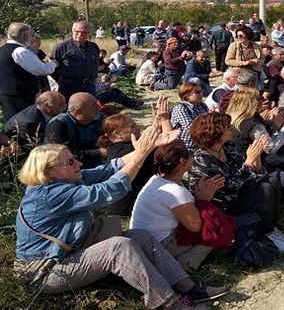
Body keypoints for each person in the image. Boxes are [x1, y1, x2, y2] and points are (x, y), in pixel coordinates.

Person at [14, 128, 223, 310]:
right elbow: (108, 190)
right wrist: (141, 154)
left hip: (66, 256)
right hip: (46, 272)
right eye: (70, 161)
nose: (78, 163)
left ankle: (189, 287)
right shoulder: (50, 195)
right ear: (49, 171)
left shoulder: (65, 180)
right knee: (119, 246)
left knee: (140, 236)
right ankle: (169, 302)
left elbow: (109, 169)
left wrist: (148, 148)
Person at [188, 112, 284, 253]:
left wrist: (256, 159)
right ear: (216, 133)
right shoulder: (202, 159)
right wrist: (248, 163)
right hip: (223, 203)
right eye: (227, 127)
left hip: (239, 191)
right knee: (265, 188)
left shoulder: (227, 148)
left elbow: (254, 172)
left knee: (272, 180)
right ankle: (268, 231)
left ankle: (273, 227)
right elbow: (229, 186)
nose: (231, 128)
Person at [130, 137, 226, 274]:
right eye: (189, 155)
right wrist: (203, 200)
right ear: (183, 162)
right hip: (160, 245)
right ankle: (185, 263)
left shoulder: (156, 179)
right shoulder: (176, 191)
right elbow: (195, 226)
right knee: (213, 229)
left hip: (145, 241)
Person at [0, 22, 58, 121]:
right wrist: (53, 63)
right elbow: (43, 70)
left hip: (4, 93)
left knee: (11, 122)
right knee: (24, 121)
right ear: (25, 35)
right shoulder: (20, 51)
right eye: (31, 35)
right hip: (21, 95)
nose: (31, 38)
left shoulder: (0, 50)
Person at [45, 93, 106, 168]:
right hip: (66, 170)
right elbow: (60, 155)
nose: (99, 107)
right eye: (93, 105)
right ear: (78, 112)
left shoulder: (99, 118)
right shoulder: (58, 124)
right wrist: (98, 152)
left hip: (95, 166)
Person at [51, 21, 100, 100]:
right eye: (77, 31)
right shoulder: (62, 47)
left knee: (89, 109)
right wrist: (62, 81)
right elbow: (52, 67)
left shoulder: (93, 47)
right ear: (72, 31)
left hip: (89, 86)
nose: (80, 34)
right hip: (69, 86)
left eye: (84, 32)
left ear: (89, 33)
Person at [171, 83, 209, 150]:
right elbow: (190, 128)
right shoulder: (181, 108)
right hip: (187, 147)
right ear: (187, 96)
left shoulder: (202, 105)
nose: (201, 94)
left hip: (202, 143)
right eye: (197, 92)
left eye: (201, 91)